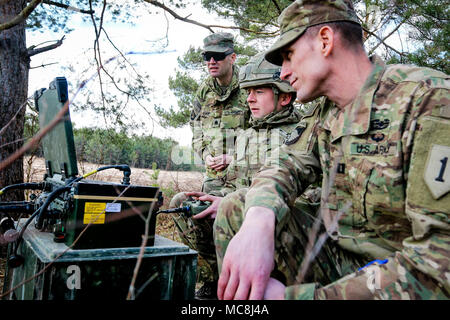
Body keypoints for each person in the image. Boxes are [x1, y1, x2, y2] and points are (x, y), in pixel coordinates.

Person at [214, 0, 450, 300]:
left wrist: (293, 299)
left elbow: (439, 266)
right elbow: (284, 165)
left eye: (289, 56)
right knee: (237, 207)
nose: (284, 73)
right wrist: (259, 219)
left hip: (403, 273)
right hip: (341, 257)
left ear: (325, 41)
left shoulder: (429, 101)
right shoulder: (327, 111)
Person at [170, 52, 319, 299]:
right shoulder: (248, 135)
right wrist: (212, 197)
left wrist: (233, 203)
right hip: (236, 212)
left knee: (229, 205)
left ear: (284, 97)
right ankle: (216, 279)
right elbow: (233, 182)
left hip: (273, 226)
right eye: (248, 92)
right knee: (183, 204)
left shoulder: (298, 135)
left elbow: (304, 198)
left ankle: (247, 287)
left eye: (259, 92)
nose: (249, 99)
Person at [190, 32, 250, 195]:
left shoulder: (249, 86)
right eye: (207, 56)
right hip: (213, 178)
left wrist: (234, 158)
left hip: (244, 177)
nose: (211, 62)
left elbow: (263, 132)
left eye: (217, 56)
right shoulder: (204, 91)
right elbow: (195, 127)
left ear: (232, 58)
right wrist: (205, 154)